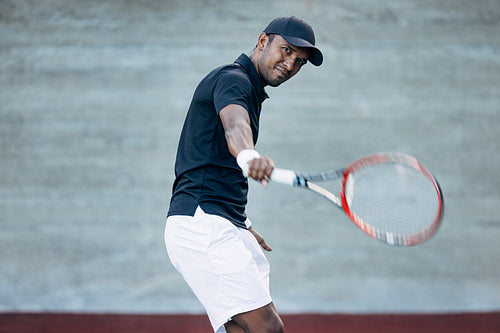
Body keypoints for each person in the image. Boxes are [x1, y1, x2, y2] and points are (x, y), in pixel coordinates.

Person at [165, 16, 323, 333]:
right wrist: (250, 156)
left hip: (223, 220)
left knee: (244, 330)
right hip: (204, 221)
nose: (291, 64)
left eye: (300, 61)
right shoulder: (233, 79)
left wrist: (245, 223)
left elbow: (213, 158)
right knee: (268, 328)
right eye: (287, 50)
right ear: (262, 41)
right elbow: (235, 127)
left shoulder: (247, 88)